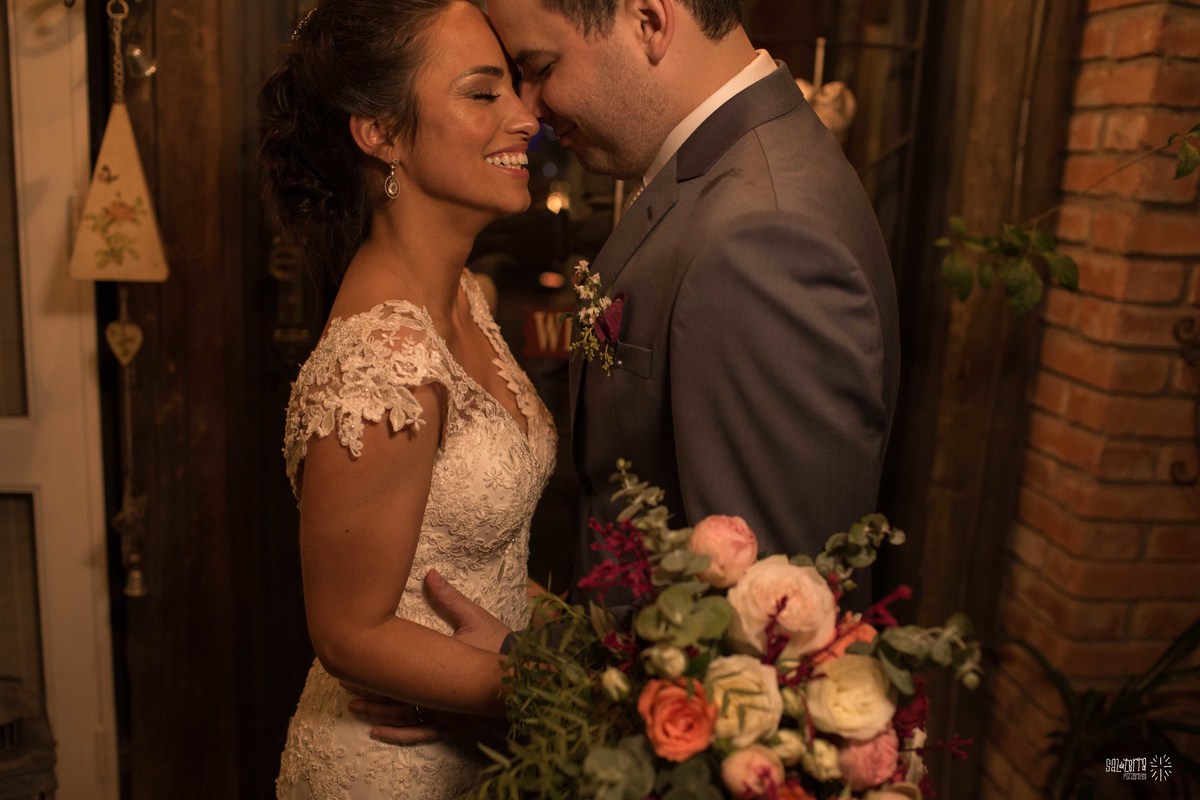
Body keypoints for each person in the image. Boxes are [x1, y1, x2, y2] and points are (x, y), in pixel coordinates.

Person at [359, 0, 900, 745]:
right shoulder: (721, 173)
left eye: (540, 69)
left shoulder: (762, 233)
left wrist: (521, 674)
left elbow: (762, 638)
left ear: (648, 20)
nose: (531, 110)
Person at [258, 0, 556, 796]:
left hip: (486, 754)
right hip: (393, 767)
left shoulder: (465, 298)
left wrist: (585, 648)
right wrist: (549, 692)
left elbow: (475, 560)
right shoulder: (381, 361)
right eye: (483, 93)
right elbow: (349, 635)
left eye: (515, 89)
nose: (527, 119)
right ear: (381, 134)